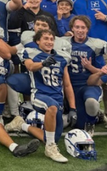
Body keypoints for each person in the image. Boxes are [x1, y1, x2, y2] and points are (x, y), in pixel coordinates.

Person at [16, 28, 76, 163]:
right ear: (38, 41)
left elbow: (67, 85)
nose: (49, 42)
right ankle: (50, 148)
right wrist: (43, 63)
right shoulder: (30, 52)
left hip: (57, 98)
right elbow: (30, 67)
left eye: (51, 39)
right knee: (52, 107)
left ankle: (22, 125)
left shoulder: (62, 57)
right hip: (39, 95)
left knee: (52, 135)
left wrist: (72, 108)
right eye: (46, 39)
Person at [67, 16, 107, 135]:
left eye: (83, 27)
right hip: (69, 87)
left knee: (91, 102)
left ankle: (91, 122)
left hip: (89, 85)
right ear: (72, 29)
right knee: (76, 123)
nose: (80, 30)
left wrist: (90, 67)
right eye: (77, 27)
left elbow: (101, 71)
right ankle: (97, 115)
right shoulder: (63, 44)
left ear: (87, 29)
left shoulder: (94, 45)